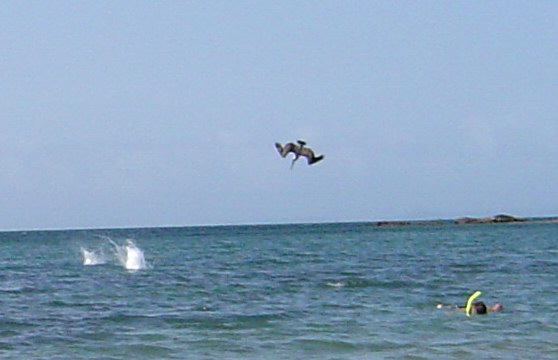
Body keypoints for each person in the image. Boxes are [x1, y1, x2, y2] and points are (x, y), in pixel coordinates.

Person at [436, 291, 503, 315]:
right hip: (479, 309)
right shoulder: (488, 309)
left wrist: (444, 307)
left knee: (459, 309)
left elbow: (456, 308)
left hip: (477, 309)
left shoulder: (467, 310)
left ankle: (443, 307)